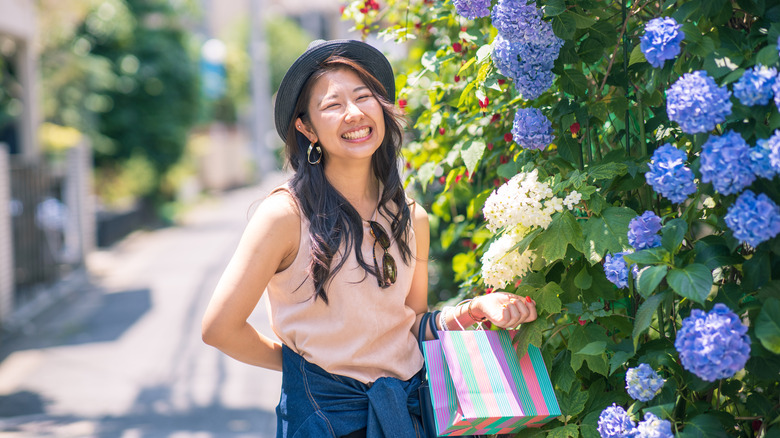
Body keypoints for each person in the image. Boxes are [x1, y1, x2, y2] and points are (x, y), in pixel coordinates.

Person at [201, 39, 538, 438]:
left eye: (364, 97)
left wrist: (473, 309)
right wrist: (302, 368)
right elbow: (219, 327)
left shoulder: (412, 217)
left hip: (410, 416)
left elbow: (408, 326)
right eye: (332, 104)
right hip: (326, 422)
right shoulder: (285, 215)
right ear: (305, 126)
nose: (355, 113)